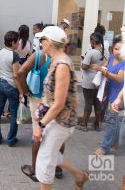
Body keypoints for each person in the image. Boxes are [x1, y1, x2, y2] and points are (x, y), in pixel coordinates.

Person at [34, 26, 89, 189]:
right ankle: (80, 176)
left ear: (50, 43)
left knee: (44, 162)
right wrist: (41, 108)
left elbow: (59, 103)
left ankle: (78, 176)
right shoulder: (56, 61)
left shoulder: (62, 65)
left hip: (61, 121)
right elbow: (51, 97)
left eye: (42, 40)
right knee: (51, 154)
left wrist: (40, 125)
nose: (40, 43)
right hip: (55, 118)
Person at [19, 33, 65, 182]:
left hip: (39, 100)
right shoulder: (62, 58)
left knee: (38, 134)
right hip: (57, 100)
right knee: (58, 136)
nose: (41, 42)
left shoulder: (39, 55)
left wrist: (26, 91)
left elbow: (20, 72)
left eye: (43, 39)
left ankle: (34, 169)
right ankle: (57, 168)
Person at [93, 35, 125, 156]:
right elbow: (104, 67)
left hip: (118, 96)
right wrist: (99, 75)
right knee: (115, 120)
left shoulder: (124, 62)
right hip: (108, 92)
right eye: (116, 48)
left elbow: (119, 78)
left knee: (111, 120)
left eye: (121, 49)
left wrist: (103, 71)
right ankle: (114, 142)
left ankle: (104, 147)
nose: (117, 51)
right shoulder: (111, 57)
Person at [0, 31, 23, 146]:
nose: (19, 43)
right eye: (18, 41)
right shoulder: (14, 55)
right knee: (14, 113)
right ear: (13, 42)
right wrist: (21, 92)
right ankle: (11, 140)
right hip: (11, 86)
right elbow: (16, 75)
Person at [77, 32, 106, 132]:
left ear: (93, 42)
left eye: (90, 41)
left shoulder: (91, 52)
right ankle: (97, 125)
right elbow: (106, 65)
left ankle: (84, 124)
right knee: (97, 102)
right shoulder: (106, 52)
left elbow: (84, 67)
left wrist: (86, 62)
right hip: (99, 81)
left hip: (89, 81)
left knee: (88, 103)